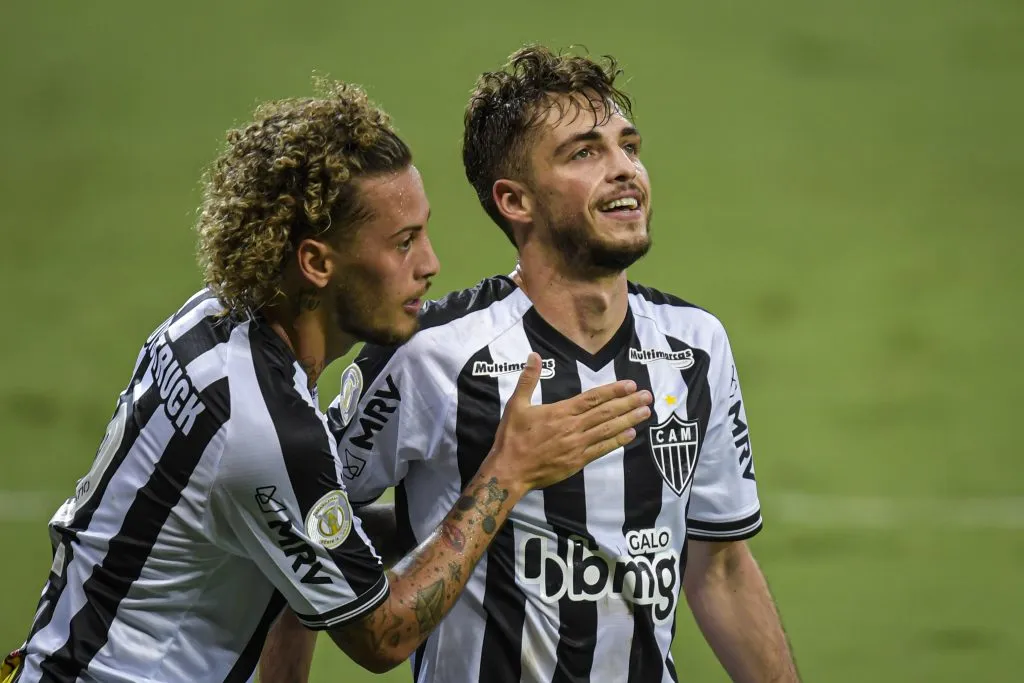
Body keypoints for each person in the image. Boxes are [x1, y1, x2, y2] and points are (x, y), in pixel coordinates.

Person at [5, 80, 653, 683]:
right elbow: (381, 633)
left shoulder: (209, 318)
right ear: (316, 262)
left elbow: (299, 518)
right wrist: (506, 475)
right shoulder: (266, 429)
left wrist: (452, 500)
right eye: (402, 243)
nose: (430, 265)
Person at [264, 47, 801, 683]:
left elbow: (720, 567)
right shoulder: (430, 354)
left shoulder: (696, 346)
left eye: (627, 146)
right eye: (584, 153)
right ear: (515, 200)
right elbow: (300, 537)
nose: (624, 169)